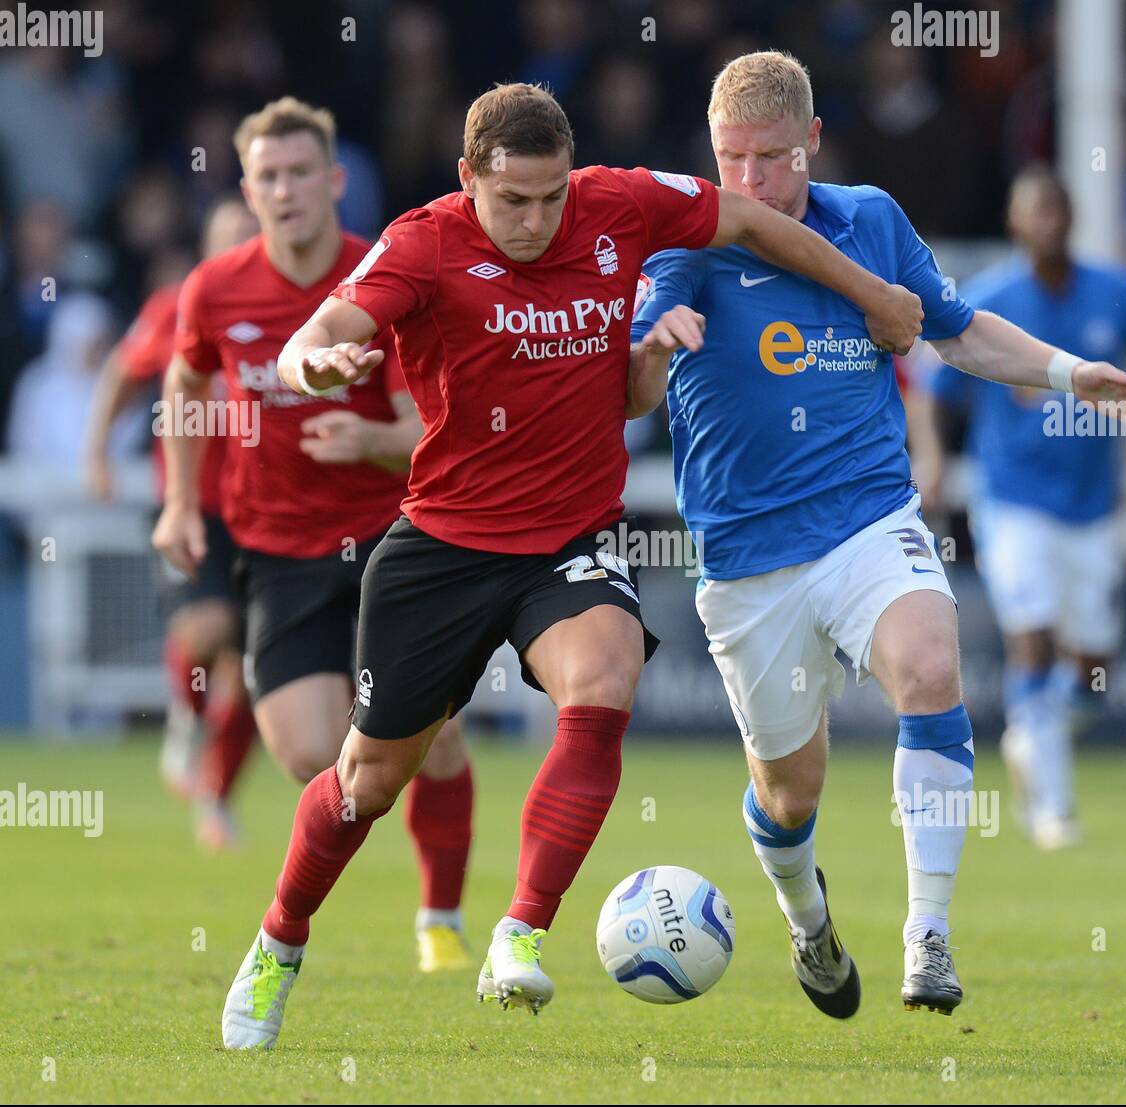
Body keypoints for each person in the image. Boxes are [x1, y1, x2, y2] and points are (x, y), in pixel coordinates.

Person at [217, 80, 925, 1048]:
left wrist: (872, 290)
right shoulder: (425, 241)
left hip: (568, 541)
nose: (536, 220)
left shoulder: (623, 203)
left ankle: (520, 933)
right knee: (364, 785)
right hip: (443, 548)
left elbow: (754, 221)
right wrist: (316, 366)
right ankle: (278, 945)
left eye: (552, 197)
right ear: (469, 180)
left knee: (605, 677)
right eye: (512, 201)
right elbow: (321, 335)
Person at [628, 52, 1126, 1017]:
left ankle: (929, 936)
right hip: (748, 558)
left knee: (930, 665)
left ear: (813, 144)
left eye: (768, 158)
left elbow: (957, 331)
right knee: (792, 793)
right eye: (728, 159)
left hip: (868, 517)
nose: (746, 182)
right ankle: (808, 924)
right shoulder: (688, 242)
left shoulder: (870, 220)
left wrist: (1073, 373)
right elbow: (629, 380)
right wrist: (652, 348)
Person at [151, 98, 476, 979]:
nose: (286, 190)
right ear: (247, 189)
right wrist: (183, 502)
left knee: (433, 739)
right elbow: (184, 381)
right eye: (268, 176)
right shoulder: (215, 289)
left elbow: (439, 426)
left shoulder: (382, 277)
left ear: (333, 182)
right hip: (277, 555)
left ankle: (440, 918)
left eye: (302, 173)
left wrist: (373, 443)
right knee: (308, 755)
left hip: (390, 544)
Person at [917, 164, 1126, 850]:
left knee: (1094, 670)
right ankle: (1053, 810)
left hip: (1093, 507)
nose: (1047, 223)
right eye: (1033, 212)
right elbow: (928, 383)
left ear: (1072, 218)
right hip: (1013, 504)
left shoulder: (1119, 293)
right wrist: (933, 457)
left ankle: (1037, 733)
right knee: (1033, 638)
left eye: (1057, 210)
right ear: (1014, 223)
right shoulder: (989, 298)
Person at [86, 197, 261, 849]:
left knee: (248, 669)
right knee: (206, 626)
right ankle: (186, 723)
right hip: (189, 504)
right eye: (231, 237)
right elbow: (122, 375)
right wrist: (97, 452)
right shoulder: (177, 307)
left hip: (267, 511)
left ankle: (217, 799)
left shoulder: (291, 314)